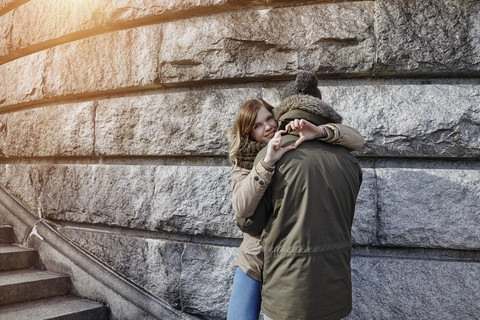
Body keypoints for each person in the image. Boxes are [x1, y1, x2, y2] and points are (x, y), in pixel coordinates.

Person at [227, 76, 365, 319]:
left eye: (269, 118)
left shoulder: (292, 142)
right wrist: (267, 162)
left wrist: (321, 131)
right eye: (257, 126)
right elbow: (242, 209)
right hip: (254, 258)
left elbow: (357, 140)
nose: (267, 127)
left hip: (282, 259)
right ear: (249, 133)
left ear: (278, 115)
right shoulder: (246, 160)